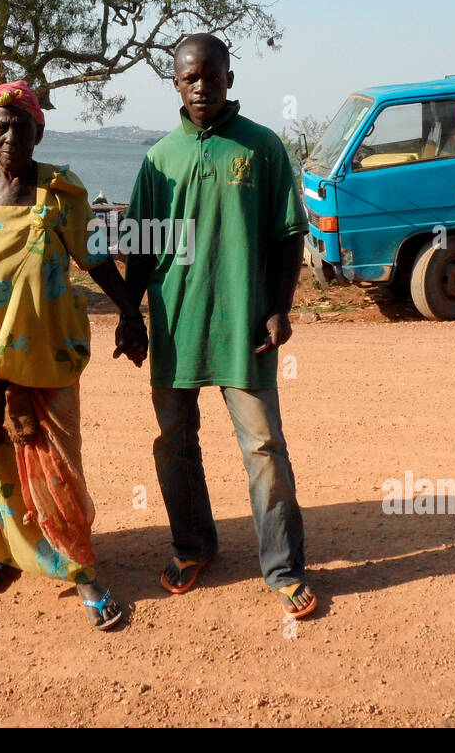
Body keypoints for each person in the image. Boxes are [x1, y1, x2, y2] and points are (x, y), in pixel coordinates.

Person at [0, 79, 148, 631]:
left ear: (39, 130)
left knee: (55, 468)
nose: (11, 137)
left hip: (45, 360)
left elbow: (96, 260)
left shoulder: (60, 194)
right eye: (0, 127)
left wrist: (131, 313)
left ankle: (80, 569)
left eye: (21, 126)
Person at [123, 33, 316, 619]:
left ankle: (282, 566)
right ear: (175, 84)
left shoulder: (260, 147)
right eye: (189, 77)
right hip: (176, 329)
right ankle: (192, 545)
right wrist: (130, 316)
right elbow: (139, 244)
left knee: (263, 446)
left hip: (245, 326)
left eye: (211, 75)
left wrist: (280, 307)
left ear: (230, 78)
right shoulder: (159, 158)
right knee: (174, 444)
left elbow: (287, 235)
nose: (201, 86)